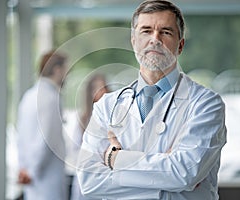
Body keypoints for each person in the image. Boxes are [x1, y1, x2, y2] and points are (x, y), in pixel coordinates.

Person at [76, 0, 227, 199]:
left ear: (180, 45)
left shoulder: (206, 104)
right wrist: (165, 181)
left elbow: (184, 173)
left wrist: (116, 159)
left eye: (165, 32)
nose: (155, 39)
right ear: (133, 41)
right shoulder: (107, 106)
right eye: (146, 31)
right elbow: (88, 181)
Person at [16, 50, 68, 200]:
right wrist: (32, 171)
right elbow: (46, 140)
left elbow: (21, 138)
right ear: (57, 70)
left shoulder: (29, 95)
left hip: (32, 178)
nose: (67, 75)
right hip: (45, 180)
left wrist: (25, 169)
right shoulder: (51, 98)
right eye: (66, 70)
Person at [67, 74, 110, 200]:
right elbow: (75, 150)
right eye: (97, 88)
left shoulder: (114, 117)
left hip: (105, 176)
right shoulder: (83, 119)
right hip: (86, 176)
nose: (102, 91)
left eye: (104, 87)